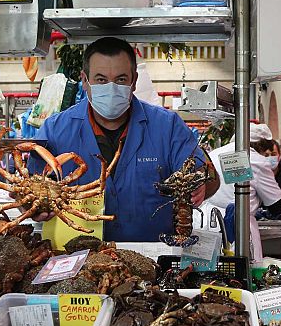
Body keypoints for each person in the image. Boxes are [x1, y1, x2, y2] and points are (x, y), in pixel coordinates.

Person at [27, 37, 220, 242]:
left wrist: (200, 186)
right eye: (101, 80)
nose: (111, 88)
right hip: (75, 254)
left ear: (134, 81)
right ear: (84, 80)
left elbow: (209, 177)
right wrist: (30, 205)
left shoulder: (168, 126)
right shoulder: (55, 130)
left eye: (120, 80)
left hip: (154, 254)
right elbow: (30, 190)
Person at [206, 123, 281, 261]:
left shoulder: (214, 154)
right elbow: (276, 205)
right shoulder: (256, 160)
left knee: (210, 270)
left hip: (207, 224)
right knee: (241, 269)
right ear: (260, 145)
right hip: (239, 228)